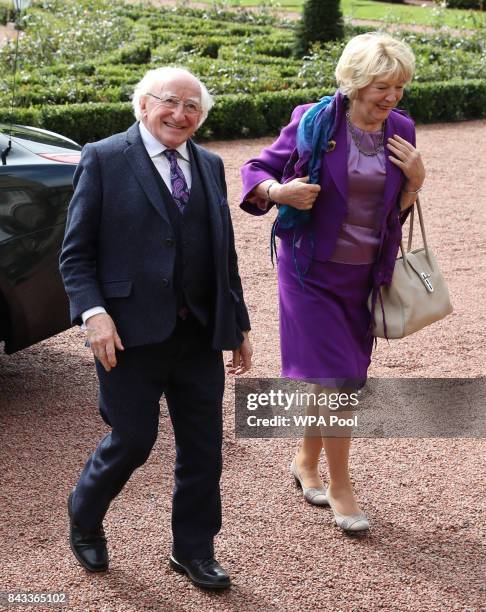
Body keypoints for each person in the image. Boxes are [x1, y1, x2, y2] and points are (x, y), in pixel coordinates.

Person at [60, 66, 252, 589]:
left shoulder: (210, 164)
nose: (181, 114)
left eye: (193, 107)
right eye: (170, 101)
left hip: (198, 335)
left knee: (204, 448)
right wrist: (93, 314)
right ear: (143, 104)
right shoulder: (103, 157)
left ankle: (193, 550)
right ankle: (84, 514)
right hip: (126, 334)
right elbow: (75, 256)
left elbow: (223, 253)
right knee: (133, 439)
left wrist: (238, 323)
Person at [240, 33, 425, 531]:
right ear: (357, 81)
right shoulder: (314, 119)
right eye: (383, 87)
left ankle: (304, 462)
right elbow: (256, 168)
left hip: (365, 274)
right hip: (309, 272)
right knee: (335, 379)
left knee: (337, 379)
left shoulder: (402, 129)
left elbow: (392, 215)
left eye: (400, 87)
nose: (392, 98)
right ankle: (341, 486)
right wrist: (281, 191)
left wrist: (414, 184)